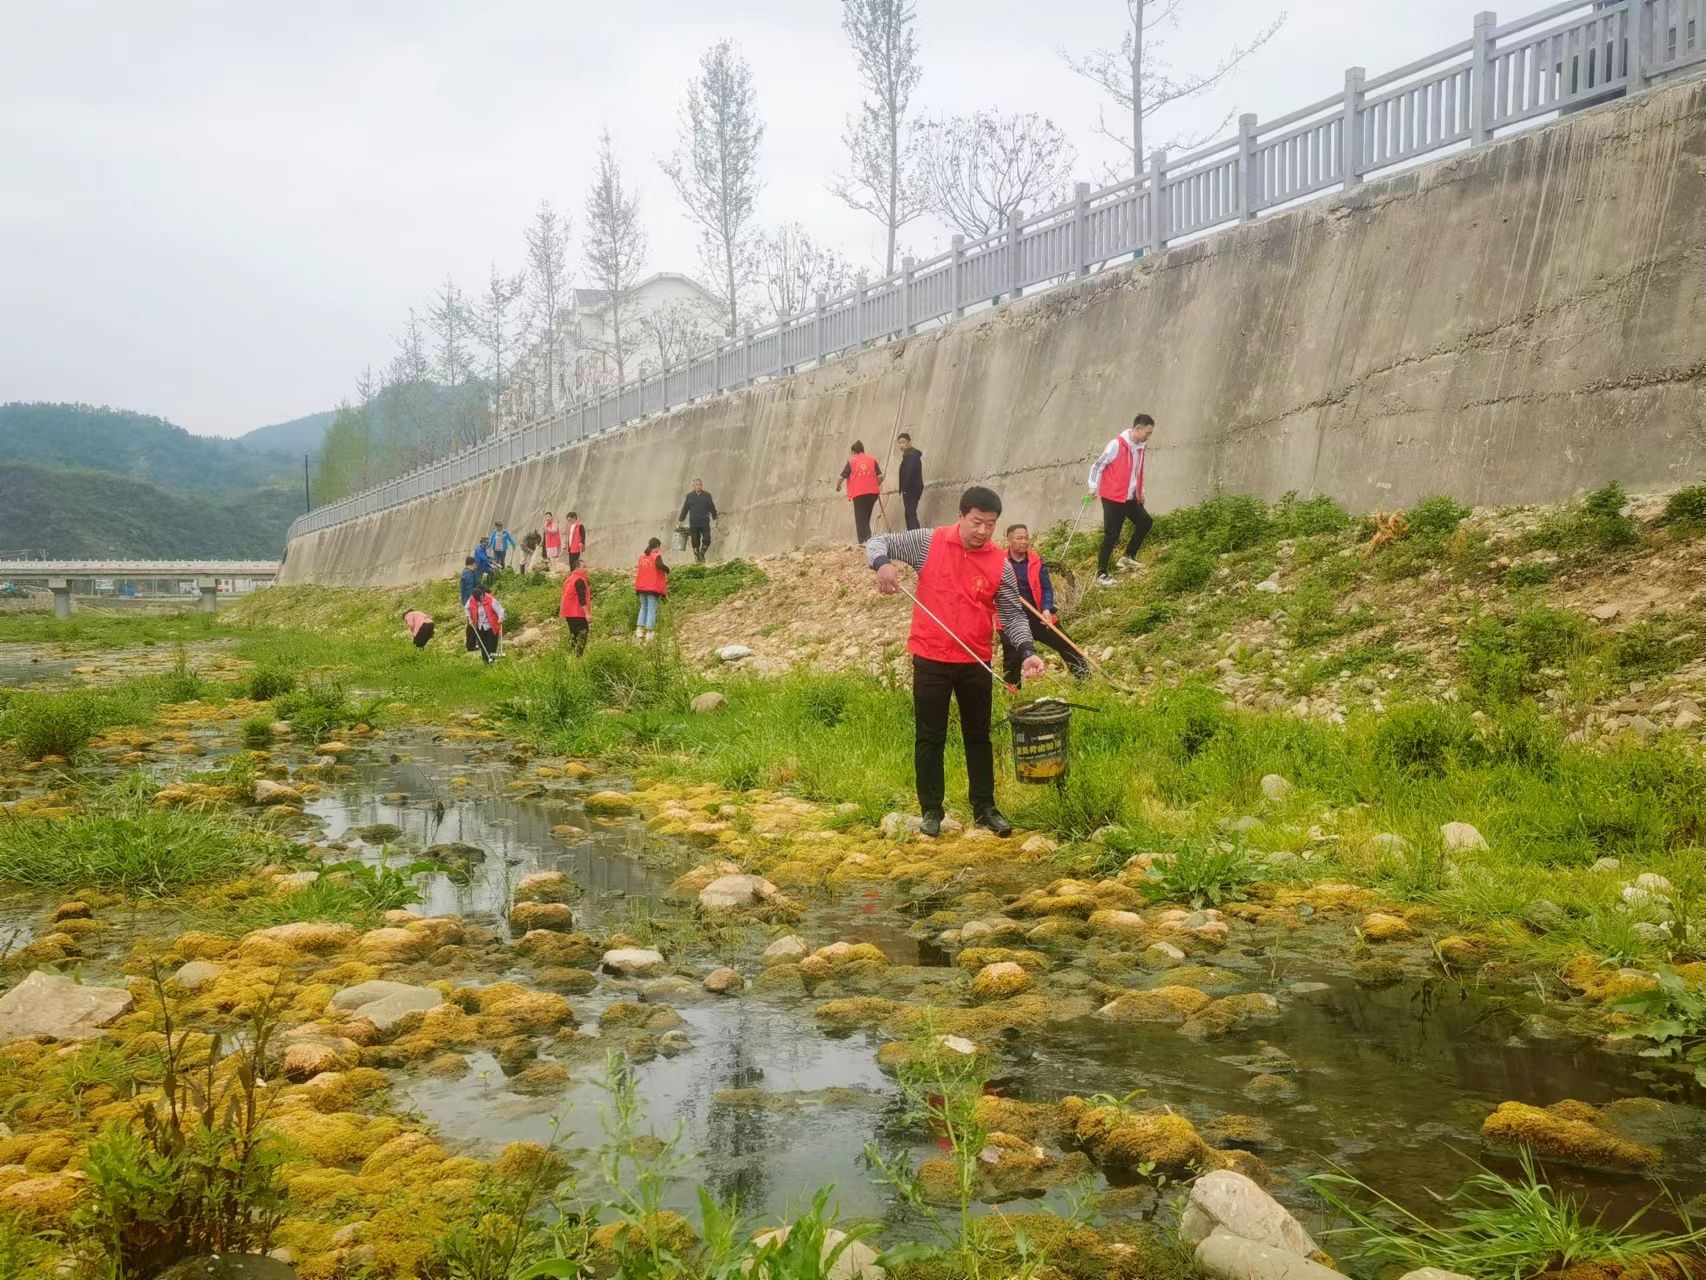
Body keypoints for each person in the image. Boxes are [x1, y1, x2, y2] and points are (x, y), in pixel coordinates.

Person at [869, 486, 1044, 838]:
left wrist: (1028, 651)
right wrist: (882, 564)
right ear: (960, 516)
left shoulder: (1000, 564)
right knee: (930, 736)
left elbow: (1012, 615)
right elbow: (877, 541)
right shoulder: (928, 542)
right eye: (976, 522)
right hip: (930, 656)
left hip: (975, 659)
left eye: (990, 525)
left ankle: (985, 808)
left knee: (978, 735)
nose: (982, 531)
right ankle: (931, 811)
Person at [1002, 524, 1090, 687]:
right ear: (1008, 540)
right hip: (1012, 620)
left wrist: (1046, 608)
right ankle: (1012, 692)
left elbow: (1046, 588)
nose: (1024, 541)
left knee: (1066, 643)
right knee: (1012, 660)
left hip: (1038, 616)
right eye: (1019, 538)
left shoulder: (1036, 560)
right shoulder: (999, 562)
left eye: (1026, 538)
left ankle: (1085, 682)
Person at [1088, 413, 1157, 585]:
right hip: (1113, 497)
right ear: (1138, 428)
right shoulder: (1116, 444)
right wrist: (1093, 486)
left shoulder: (1140, 447)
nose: (1149, 436)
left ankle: (1128, 557)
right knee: (1112, 535)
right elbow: (1098, 466)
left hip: (1129, 497)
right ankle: (1101, 573)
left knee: (1145, 522)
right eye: (1147, 433)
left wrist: (1140, 491)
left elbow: (1136, 471)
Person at [838, 440, 882, 545]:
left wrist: (837, 486)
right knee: (866, 517)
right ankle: (869, 539)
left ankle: (864, 541)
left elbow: (841, 477)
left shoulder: (852, 461)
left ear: (854, 451)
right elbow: (880, 476)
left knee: (860, 518)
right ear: (863, 450)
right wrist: (876, 485)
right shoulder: (872, 459)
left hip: (859, 494)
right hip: (872, 494)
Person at [633, 537, 669, 643]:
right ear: (657, 546)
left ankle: (639, 629)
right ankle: (649, 631)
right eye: (659, 547)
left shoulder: (642, 557)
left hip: (641, 587)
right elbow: (660, 565)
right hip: (652, 587)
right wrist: (667, 569)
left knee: (643, 607)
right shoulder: (656, 555)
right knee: (652, 608)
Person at [678, 479, 720, 564]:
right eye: (696, 485)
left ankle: (702, 553)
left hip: (704, 523)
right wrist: (681, 520)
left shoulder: (707, 496)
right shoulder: (689, 496)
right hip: (694, 524)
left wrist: (715, 517)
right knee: (695, 543)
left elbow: (712, 507)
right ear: (693, 486)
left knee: (707, 540)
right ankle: (697, 559)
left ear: (702, 485)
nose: (698, 486)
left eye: (700, 484)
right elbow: (685, 509)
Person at [465, 584, 504, 663]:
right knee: (482, 646)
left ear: (482, 594)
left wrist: (500, 618)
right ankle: (486, 662)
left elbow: (500, 610)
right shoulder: (472, 599)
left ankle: (492, 662)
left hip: (491, 627)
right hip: (479, 627)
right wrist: (469, 619)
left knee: (491, 646)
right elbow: (467, 608)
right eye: (478, 600)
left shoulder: (491, 599)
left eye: (481, 598)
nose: (480, 601)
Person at [559, 564, 592, 654]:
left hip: (569, 613)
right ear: (577, 568)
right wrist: (587, 613)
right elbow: (582, 598)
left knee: (573, 635)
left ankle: (571, 655)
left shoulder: (569, 579)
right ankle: (578, 656)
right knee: (582, 634)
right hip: (577, 613)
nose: (586, 569)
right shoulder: (579, 580)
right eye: (584, 567)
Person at [897, 433, 925, 531]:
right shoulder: (909, 455)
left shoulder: (911, 456)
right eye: (899, 443)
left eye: (903, 442)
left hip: (911, 489)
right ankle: (912, 534)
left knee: (910, 513)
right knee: (909, 513)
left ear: (909, 443)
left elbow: (909, 472)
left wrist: (904, 488)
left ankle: (916, 534)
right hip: (912, 488)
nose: (901, 445)